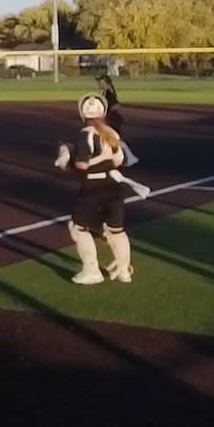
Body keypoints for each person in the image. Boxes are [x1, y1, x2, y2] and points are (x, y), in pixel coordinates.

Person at [54, 93, 149, 285]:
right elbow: (120, 160)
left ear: (82, 113)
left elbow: (82, 165)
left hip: (93, 188)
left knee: (78, 228)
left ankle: (91, 271)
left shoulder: (86, 134)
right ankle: (124, 270)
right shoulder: (112, 133)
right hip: (114, 186)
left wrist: (67, 160)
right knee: (116, 230)